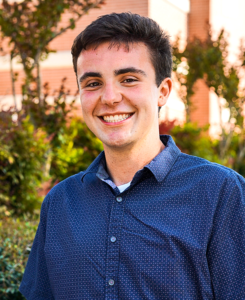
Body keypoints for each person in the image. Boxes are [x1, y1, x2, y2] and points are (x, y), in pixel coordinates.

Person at [19, 13, 245, 299]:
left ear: (163, 92)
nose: (110, 97)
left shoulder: (221, 193)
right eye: (92, 83)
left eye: (128, 79)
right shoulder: (60, 203)